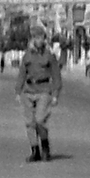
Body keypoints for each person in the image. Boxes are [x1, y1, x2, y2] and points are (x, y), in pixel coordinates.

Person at [16, 26, 62, 163]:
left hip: (44, 90)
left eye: (41, 37)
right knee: (29, 122)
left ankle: (45, 146)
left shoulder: (49, 56)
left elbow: (56, 76)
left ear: (44, 39)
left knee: (40, 120)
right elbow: (22, 74)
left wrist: (55, 94)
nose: (38, 40)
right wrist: (18, 91)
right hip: (28, 90)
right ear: (32, 39)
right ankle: (35, 150)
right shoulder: (27, 56)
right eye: (36, 37)